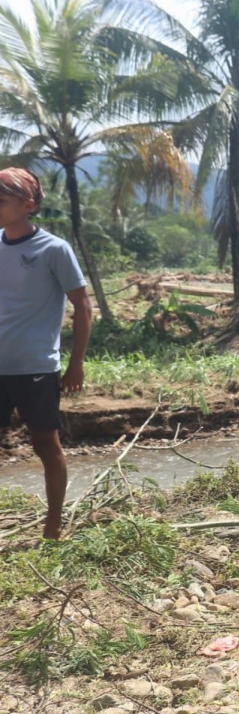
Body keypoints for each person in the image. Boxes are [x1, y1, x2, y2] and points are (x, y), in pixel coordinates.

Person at [0, 168, 92, 540]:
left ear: (29, 205)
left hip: (35, 366)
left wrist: (76, 364)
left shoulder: (54, 249)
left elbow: (82, 307)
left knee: (45, 445)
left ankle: (53, 529)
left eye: (2, 200)